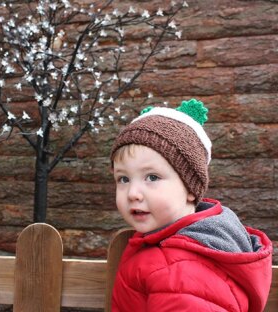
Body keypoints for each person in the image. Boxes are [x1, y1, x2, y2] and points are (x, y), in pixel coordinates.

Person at [110, 99, 273, 311]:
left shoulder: (179, 269)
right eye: (123, 179)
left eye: (152, 177)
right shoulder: (178, 247)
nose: (133, 193)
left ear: (190, 188)